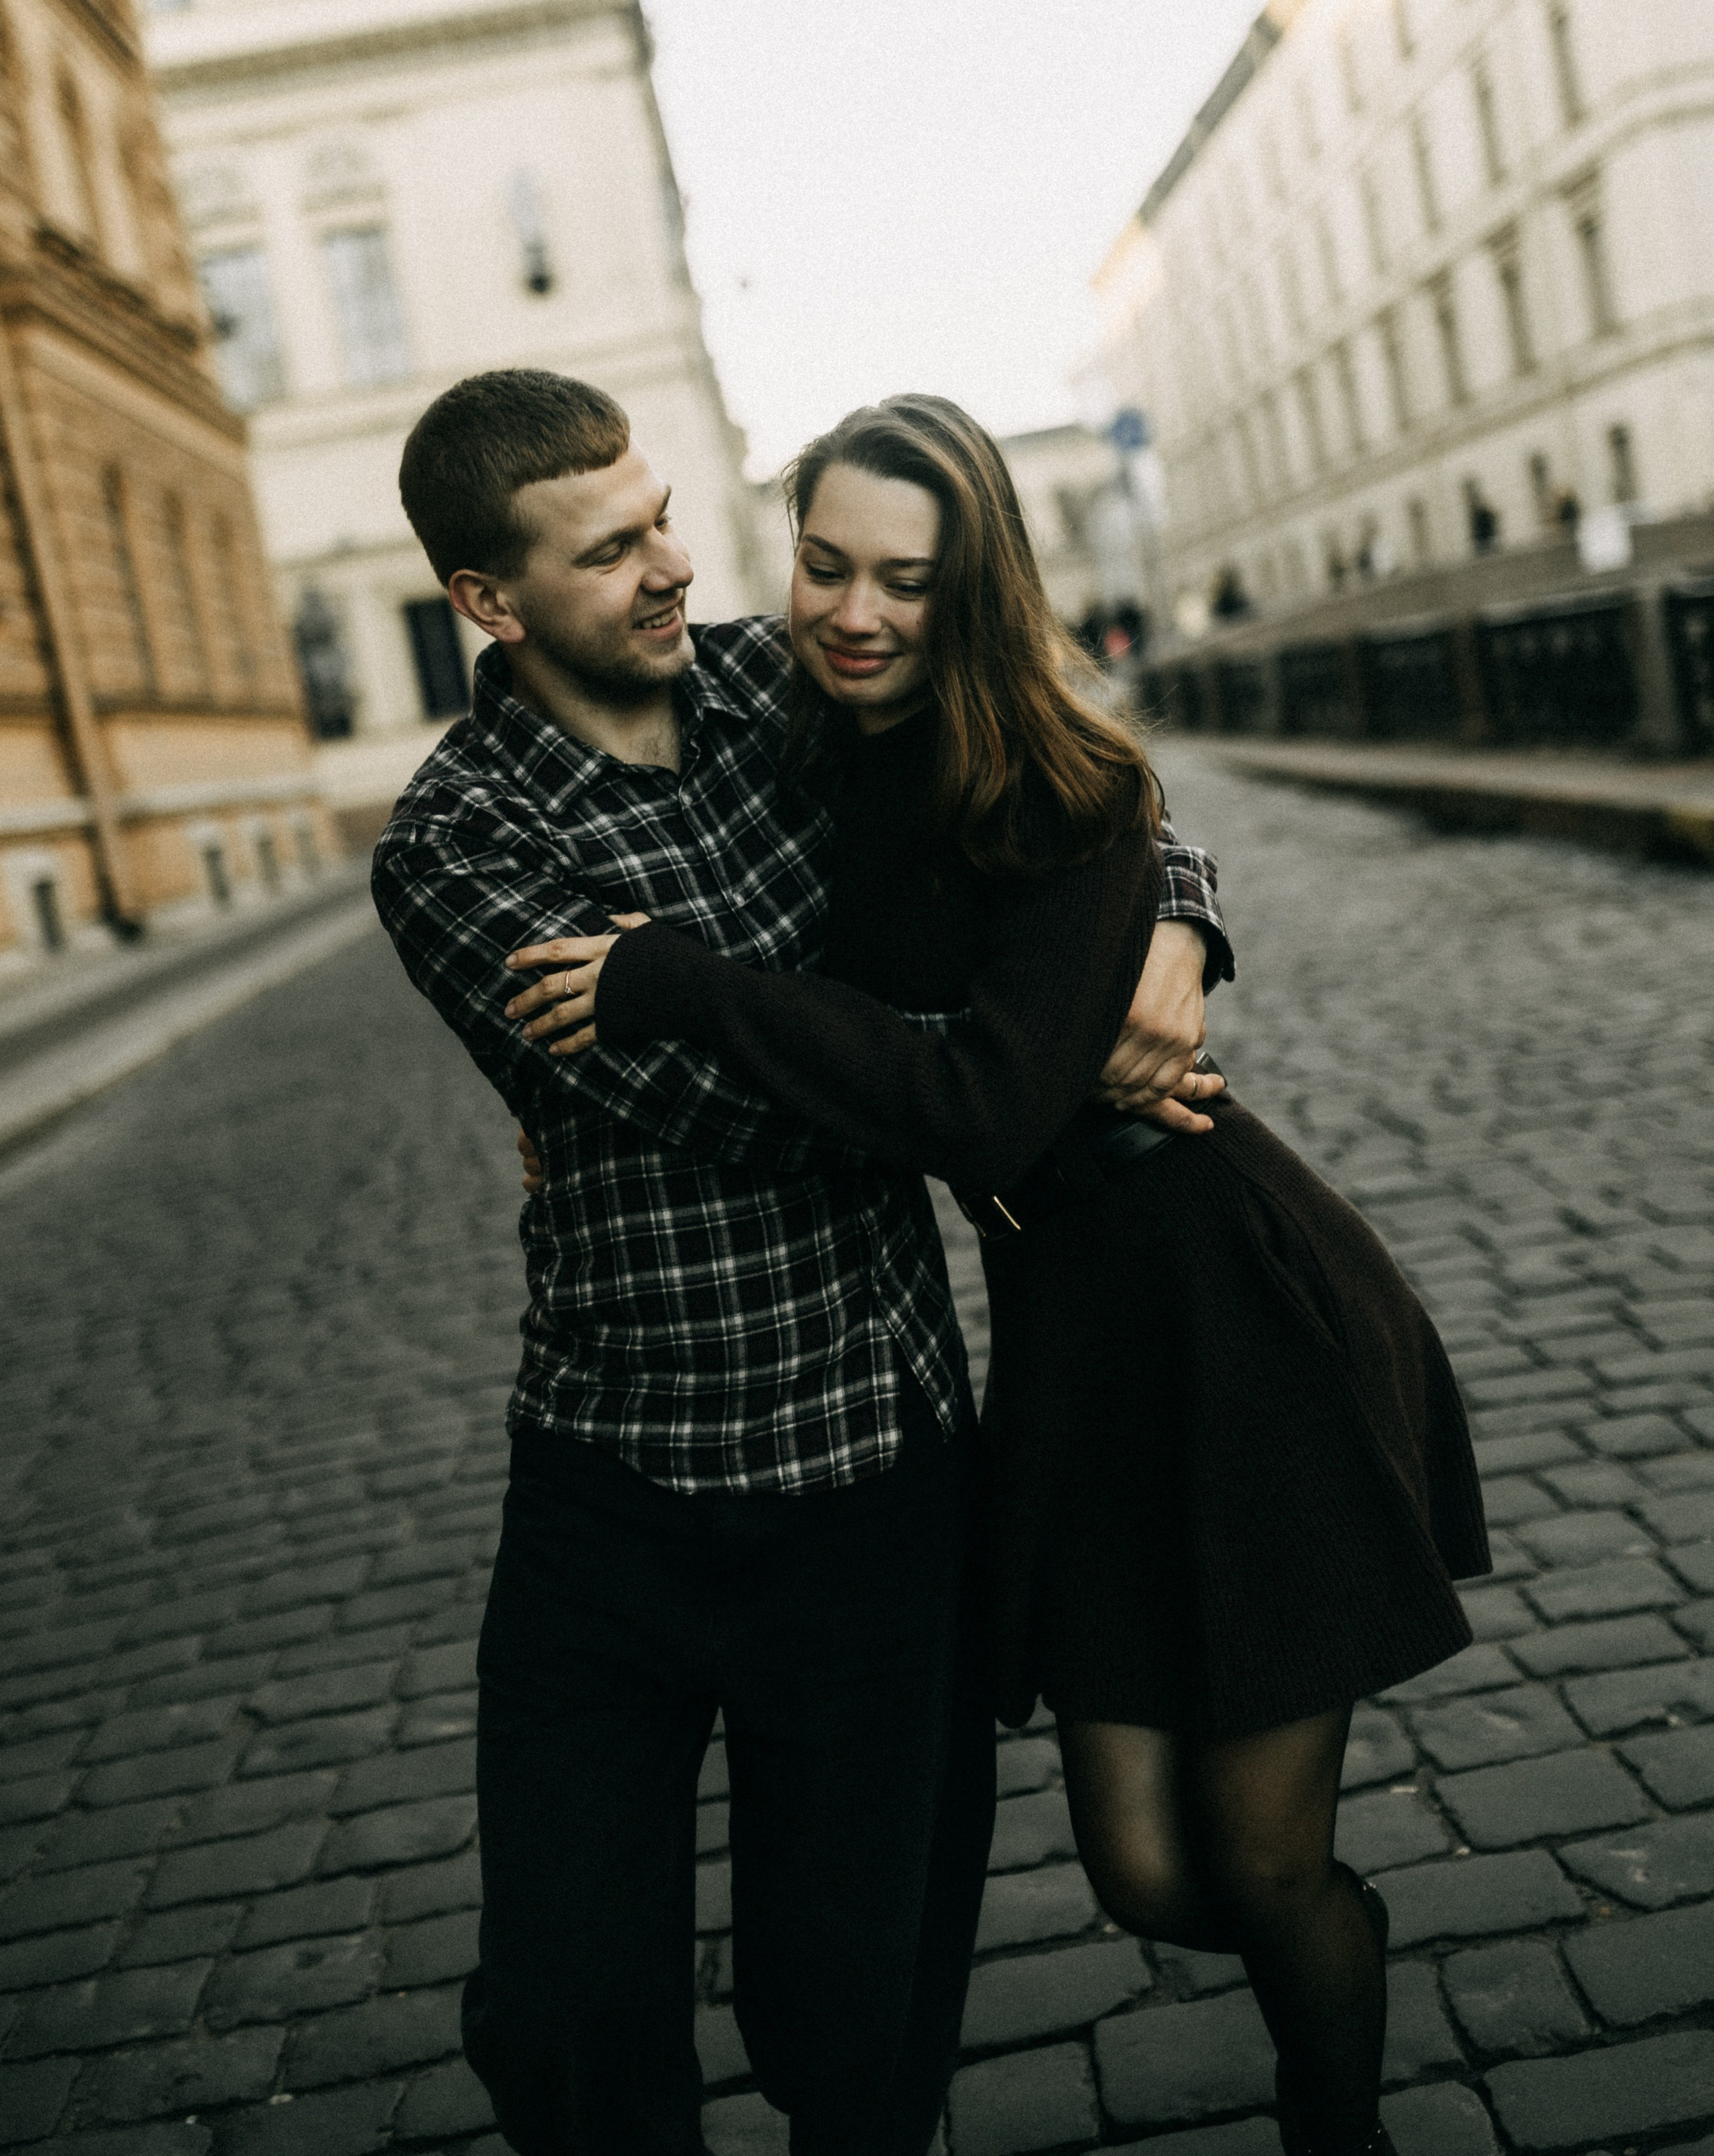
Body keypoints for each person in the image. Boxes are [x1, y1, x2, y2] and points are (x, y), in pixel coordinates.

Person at [503, 396, 1492, 2156]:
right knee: (1139, 1870)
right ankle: (1313, 1946)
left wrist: (678, 983)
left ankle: (1340, 2102)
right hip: (1065, 1359)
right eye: (822, 567)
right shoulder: (785, 727)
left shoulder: (1058, 782)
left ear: (975, 592)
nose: (855, 613)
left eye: (906, 582)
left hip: (1234, 1321)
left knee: (1265, 1870)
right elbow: (583, 688)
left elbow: (973, 1100)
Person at [369, 368, 1232, 2156]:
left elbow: (1049, 772)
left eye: (667, 516)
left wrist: (1167, 913)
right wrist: (1000, 1049)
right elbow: (753, 1109)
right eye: (612, 552)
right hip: (614, 1479)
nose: (676, 567)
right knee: (563, 2015)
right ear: (488, 600)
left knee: (857, 2020)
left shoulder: (783, 683)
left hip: (871, 1465)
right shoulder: (456, 845)